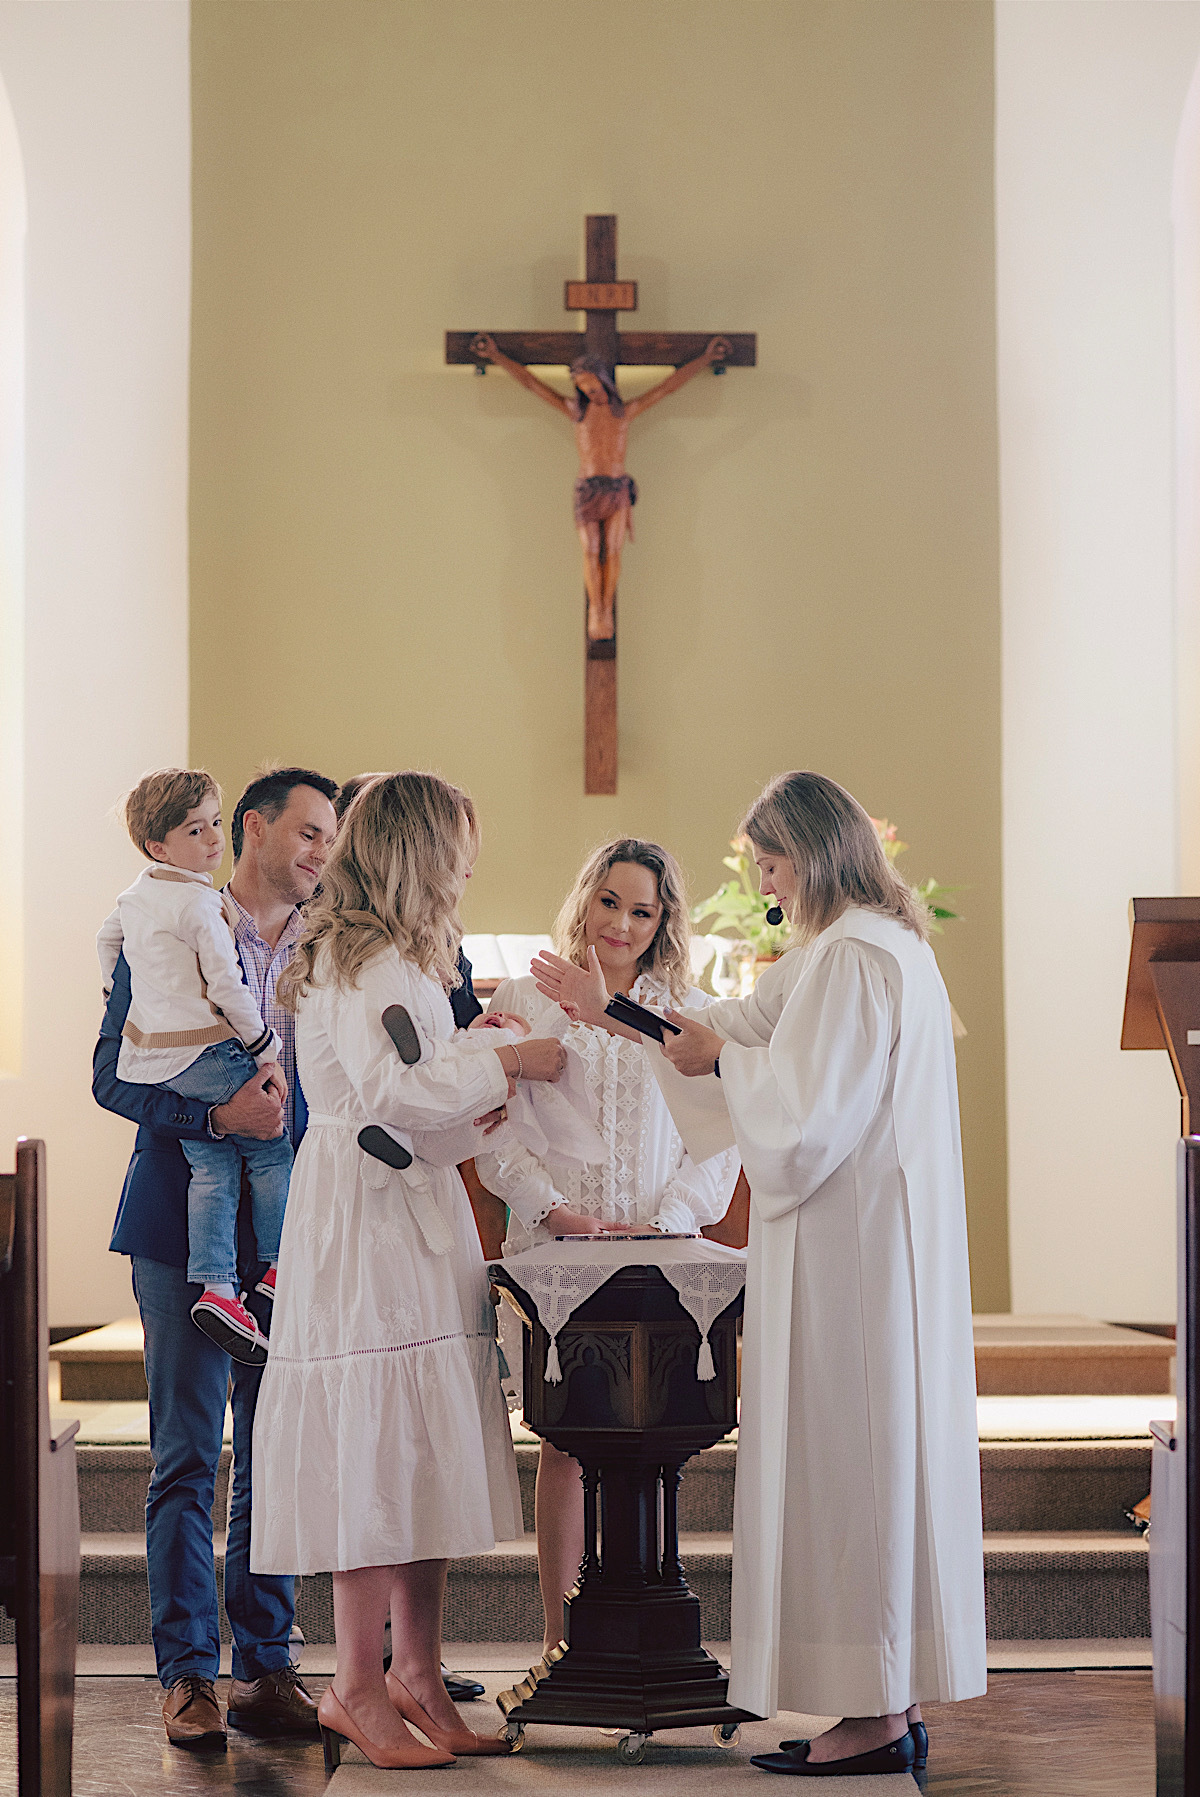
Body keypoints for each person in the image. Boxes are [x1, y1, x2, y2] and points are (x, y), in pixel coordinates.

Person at [533, 773, 986, 1779]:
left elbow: (800, 1117)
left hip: (854, 1258)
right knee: (868, 1470)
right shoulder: (861, 949)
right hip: (861, 1249)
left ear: (814, 852)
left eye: (772, 864)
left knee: (856, 1472)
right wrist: (613, 1013)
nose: (770, 886)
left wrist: (698, 1054)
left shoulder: (858, 959)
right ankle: (884, 1696)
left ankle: (869, 1716)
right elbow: (732, 1035)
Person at [250, 771, 569, 1770]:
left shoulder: (401, 963)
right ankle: (354, 1683)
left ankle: (418, 1672)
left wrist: (474, 1059)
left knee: (421, 1443)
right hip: (365, 1220)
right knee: (374, 1441)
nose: (468, 871)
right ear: (416, 854)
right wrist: (508, 1065)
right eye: (458, 853)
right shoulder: (363, 962)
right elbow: (391, 1088)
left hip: (418, 1205)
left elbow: (423, 1092)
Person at [93, 767, 340, 1749]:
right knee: (188, 1452)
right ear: (252, 829)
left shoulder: (333, 948)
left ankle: (266, 1665)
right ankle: (189, 1674)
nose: (323, 853)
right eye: (311, 832)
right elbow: (111, 1074)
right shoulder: (163, 920)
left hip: (294, 1227)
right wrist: (212, 1112)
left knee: (276, 1445)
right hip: (177, 1225)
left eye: (333, 838)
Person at [475, 837, 739, 1659]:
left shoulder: (682, 1010)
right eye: (610, 902)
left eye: (643, 909)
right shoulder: (526, 994)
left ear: (664, 922)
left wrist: (671, 1217)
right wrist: (554, 1210)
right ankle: (561, 1641)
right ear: (585, 898)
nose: (622, 923)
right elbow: (493, 1130)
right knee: (563, 1440)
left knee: (652, 1439)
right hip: (558, 1250)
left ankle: (649, 1634)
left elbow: (722, 1139)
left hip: (660, 1250)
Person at [98, 769, 292, 1362]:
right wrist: (259, 1054)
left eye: (214, 823)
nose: (213, 838)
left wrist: (109, 985)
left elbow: (107, 941)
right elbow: (109, 1081)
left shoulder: (136, 899)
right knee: (269, 1146)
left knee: (212, 1168)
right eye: (195, 829)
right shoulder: (200, 908)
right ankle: (277, 1269)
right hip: (168, 1205)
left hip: (161, 1062)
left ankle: (222, 1290)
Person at [470, 332, 732, 642]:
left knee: (615, 549)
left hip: (617, 489)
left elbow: (667, 388)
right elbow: (531, 384)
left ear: (603, 379)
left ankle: (606, 607)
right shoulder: (574, 411)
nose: (586, 388)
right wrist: (497, 356)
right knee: (592, 550)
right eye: (581, 385)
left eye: (590, 381)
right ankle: (596, 609)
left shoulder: (626, 412)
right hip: (587, 491)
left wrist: (705, 358)